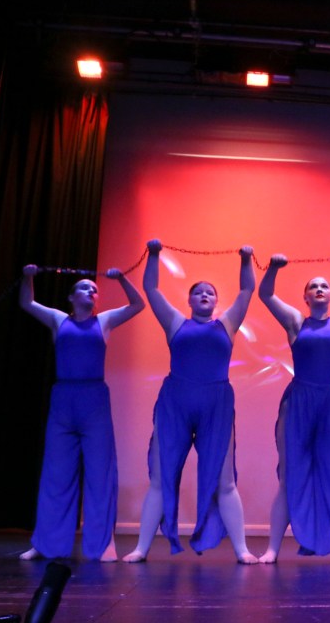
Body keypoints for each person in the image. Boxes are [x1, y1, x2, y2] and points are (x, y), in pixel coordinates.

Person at [122, 239, 257, 563]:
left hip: (216, 405)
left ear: (216, 300)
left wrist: (246, 260)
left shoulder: (227, 325)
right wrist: (154, 255)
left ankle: (241, 549)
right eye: (198, 292)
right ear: (189, 300)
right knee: (160, 477)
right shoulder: (175, 323)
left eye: (210, 292)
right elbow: (151, 289)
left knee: (225, 481)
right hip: (176, 404)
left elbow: (246, 290)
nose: (204, 295)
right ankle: (141, 548)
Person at [18, 263, 145, 561]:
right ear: (71, 297)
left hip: (93, 399)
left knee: (100, 474)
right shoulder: (58, 319)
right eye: (84, 287)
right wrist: (28, 276)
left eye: (95, 289)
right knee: (56, 474)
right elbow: (26, 302)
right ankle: (45, 543)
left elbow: (138, 304)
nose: (91, 291)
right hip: (64, 398)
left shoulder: (104, 320)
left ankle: (103, 544)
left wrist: (121, 278)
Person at [257, 251, 330, 563]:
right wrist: (274, 268)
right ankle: (272, 549)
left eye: (325, 286)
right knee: (290, 477)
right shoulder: (296, 322)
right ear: (306, 297)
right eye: (313, 286)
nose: (320, 289)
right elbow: (265, 294)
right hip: (299, 403)